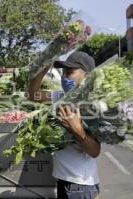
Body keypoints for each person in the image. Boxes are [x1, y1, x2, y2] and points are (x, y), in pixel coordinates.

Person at [28, 51, 101, 199]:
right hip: (66, 182)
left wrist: (78, 131)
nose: (64, 77)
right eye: (63, 73)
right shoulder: (61, 97)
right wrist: (43, 69)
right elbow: (33, 94)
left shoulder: (91, 105)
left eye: (69, 72)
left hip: (81, 186)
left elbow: (95, 151)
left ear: (86, 75)